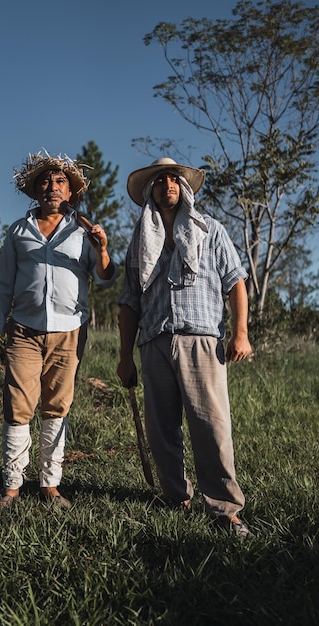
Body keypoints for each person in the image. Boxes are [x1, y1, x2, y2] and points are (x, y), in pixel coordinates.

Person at [117, 158, 253, 538]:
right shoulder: (141, 239)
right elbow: (129, 301)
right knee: (162, 430)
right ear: (150, 192)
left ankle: (225, 510)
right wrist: (125, 356)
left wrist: (240, 333)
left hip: (201, 339)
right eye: (159, 180)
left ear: (184, 188)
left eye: (173, 178)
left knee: (212, 426)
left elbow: (235, 281)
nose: (167, 184)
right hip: (155, 341)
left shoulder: (209, 230)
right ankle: (177, 498)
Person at [0, 150, 118, 509]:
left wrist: (101, 250)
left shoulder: (83, 231)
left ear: (71, 192)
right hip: (23, 330)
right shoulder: (18, 232)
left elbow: (104, 279)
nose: (52, 187)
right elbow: (3, 284)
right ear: (35, 191)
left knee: (57, 406)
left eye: (60, 182)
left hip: (69, 330)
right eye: (45, 181)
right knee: (17, 405)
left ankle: (49, 485)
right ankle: (11, 485)